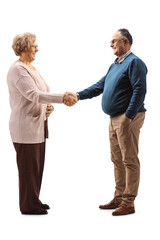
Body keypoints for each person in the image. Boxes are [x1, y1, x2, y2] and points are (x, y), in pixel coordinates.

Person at [66, 29, 147, 216]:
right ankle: (119, 197)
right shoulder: (116, 65)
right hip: (114, 119)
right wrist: (78, 95)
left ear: (125, 41)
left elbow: (140, 89)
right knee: (117, 159)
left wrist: (128, 116)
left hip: (127, 118)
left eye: (114, 41)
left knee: (129, 159)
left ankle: (129, 202)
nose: (111, 44)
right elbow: (100, 86)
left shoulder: (134, 62)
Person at [7, 32, 77, 215]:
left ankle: (34, 200)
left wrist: (48, 108)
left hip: (38, 125)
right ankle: (28, 205)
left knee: (36, 166)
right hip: (25, 127)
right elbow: (34, 95)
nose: (37, 49)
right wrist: (62, 98)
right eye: (34, 45)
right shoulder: (18, 70)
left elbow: (41, 96)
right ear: (23, 48)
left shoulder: (31, 68)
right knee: (28, 168)